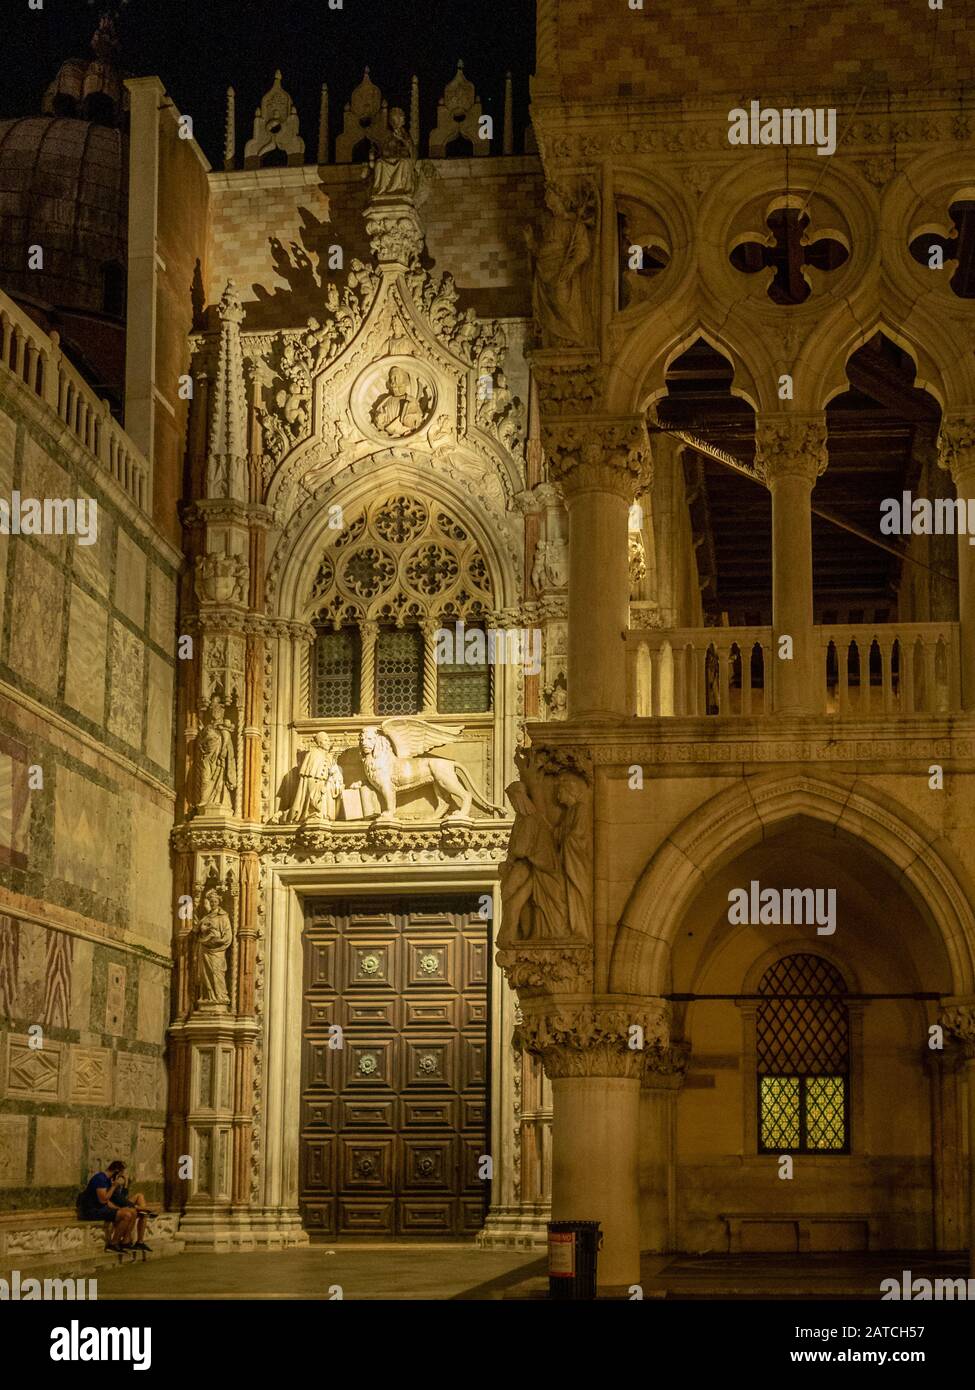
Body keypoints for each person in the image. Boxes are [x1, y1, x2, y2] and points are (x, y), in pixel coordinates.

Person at [78, 1159, 155, 1252]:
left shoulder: (108, 1180)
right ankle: (113, 1243)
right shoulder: (100, 1179)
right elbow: (103, 1200)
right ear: (117, 1172)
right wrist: (114, 1186)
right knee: (127, 1215)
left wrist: (120, 1208)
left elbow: (112, 1201)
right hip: (92, 1211)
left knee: (132, 1212)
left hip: (101, 1208)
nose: (122, 1177)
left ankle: (125, 1242)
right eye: (121, 1174)